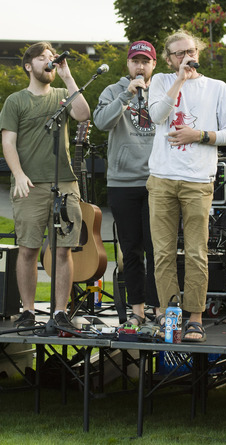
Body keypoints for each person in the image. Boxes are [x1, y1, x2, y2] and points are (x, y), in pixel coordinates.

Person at [147, 30, 226, 342]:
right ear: (168, 58)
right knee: (162, 252)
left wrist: (198, 135)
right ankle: (169, 314)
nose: (186, 57)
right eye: (178, 53)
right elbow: (157, 115)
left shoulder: (217, 87)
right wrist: (179, 81)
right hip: (161, 178)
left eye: (190, 51)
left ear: (198, 51)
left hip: (198, 180)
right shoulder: (161, 81)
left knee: (197, 252)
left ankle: (196, 318)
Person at [0, 42, 90, 331]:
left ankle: (60, 312)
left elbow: (83, 114)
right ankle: (27, 311)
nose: (49, 61)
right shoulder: (16, 101)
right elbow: (8, 142)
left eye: (51, 57)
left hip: (64, 182)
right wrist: (19, 174)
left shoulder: (64, 95)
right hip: (29, 185)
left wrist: (67, 76)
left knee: (63, 250)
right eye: (42, 58)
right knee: (27, 249)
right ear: (29, 65)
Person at [93, 40, 159, 327]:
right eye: (136, 61)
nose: (140, 66)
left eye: (146, 61)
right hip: (122, 182)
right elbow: (101, 123)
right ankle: (137, 311)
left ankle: (159, 309)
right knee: (131, 250)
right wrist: (125, 97)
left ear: (154, 65)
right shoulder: (113, 91)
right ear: (128, 65)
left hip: (158, 182)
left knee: (159, 249)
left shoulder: (164, 90)